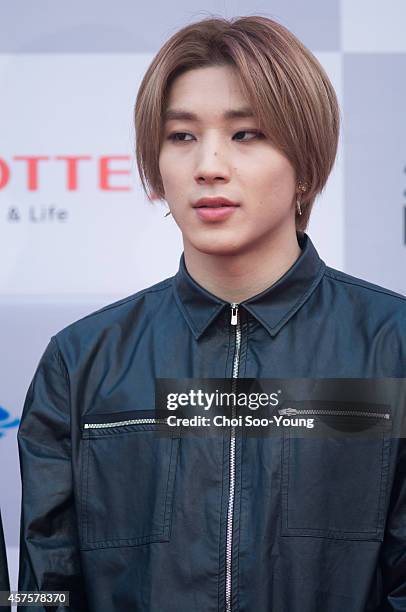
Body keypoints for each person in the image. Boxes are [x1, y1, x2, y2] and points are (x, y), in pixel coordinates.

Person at [17, 15, 406, 612]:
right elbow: (43, 590)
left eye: (246, 134)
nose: (209, 165)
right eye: (182, 136)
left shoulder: (392, 345)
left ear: (305, 158)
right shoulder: (81, 360)